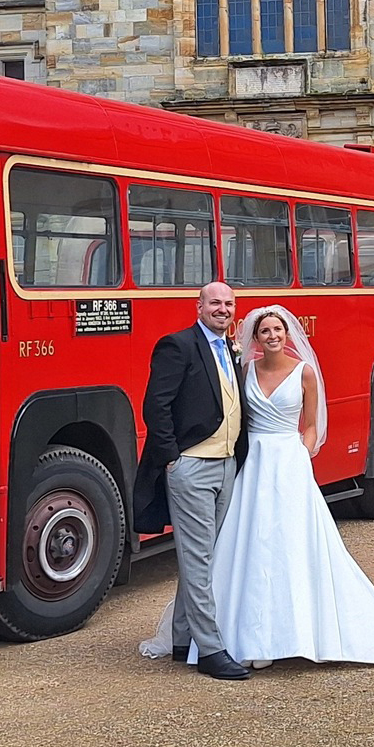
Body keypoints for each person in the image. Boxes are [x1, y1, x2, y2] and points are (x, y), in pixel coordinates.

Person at [140, 304, 374, 668]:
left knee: (290, 548)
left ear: (288, 335)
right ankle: (245, 636)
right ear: (255, 338)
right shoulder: (245, 370)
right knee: (246, 547)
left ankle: (293, 633)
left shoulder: (304, 373)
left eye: (278, 330)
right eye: (265, 331)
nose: (272, 336)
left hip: (288, 463)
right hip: (252, 464)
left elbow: (313, 425)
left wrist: (302, 451)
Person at [132, 281, 251, 680]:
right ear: (198, 306)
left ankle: (182, 638)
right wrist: (172, 460)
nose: (223, 309)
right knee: (199, 559)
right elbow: (156, 405)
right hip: (192, 467)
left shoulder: (230, 348)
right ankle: (211, 649)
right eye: (215, 302)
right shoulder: (177, 345)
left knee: (204, 555)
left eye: (229, 303)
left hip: (226, 463)